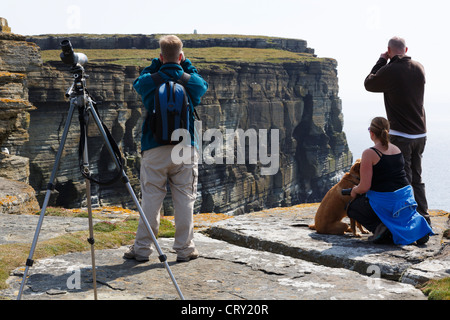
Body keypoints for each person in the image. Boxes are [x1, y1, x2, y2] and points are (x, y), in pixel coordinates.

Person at [124, 35, 208, 262]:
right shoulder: (191, 81)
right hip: (185, 148)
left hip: (154, 148)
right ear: (181, 56)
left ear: (161, 56)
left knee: (151, 199)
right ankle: (185, 249)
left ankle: (142, 250)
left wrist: (157, 64)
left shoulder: (149, 81)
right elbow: (202, 86)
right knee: (184, 199)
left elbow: (138, 83)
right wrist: (184, 64)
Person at [364, 36, 430, 224]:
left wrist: (382, 59)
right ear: (406, 49)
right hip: (421, 133)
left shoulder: (390, 70)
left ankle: (409, 220)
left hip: (402, 134)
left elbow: (369, 83)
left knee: (404, 179)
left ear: (389, 50)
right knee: (417, 176)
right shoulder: (419, 67)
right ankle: (424, 215)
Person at [347, 117, 433, 245]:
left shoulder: (369, 153)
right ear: (388, 131)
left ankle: (383, 229)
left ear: (371, 133)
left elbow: (364, 187)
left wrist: (354, 190)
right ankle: (417, 227)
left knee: (352, 208)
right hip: (405, 197)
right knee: (400, 212)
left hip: (387, 201)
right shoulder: (397, 149)